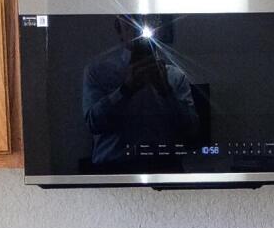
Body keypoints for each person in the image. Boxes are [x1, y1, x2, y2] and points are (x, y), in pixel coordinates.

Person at [82, 17, 199, 164]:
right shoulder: (98, 72)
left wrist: (166, 91)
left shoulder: (176, 76)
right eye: (132, 22)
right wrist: (125, 90)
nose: (140, 29)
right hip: (114, 169)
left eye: (149, 22)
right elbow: (93, 124)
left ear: (159, 30)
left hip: (165, 167)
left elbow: (192, 130)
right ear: (119, 29)